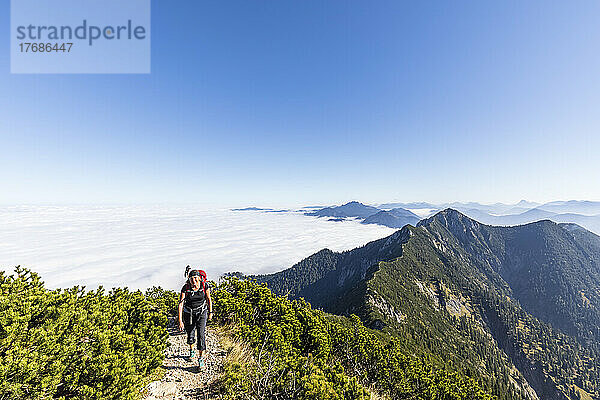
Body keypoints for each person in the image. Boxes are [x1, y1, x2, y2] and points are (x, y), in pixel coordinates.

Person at [178, 268, 213, 369]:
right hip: (189, 313)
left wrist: (210, 312)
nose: (194, 282)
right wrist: (180, 321)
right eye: (191, 279)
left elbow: (208, 299)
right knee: (190, 334)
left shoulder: (204, 286)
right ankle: (192, 349)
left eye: (196, 279)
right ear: (188, 280)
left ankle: (201, 359)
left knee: (201, 335)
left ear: (199, 279)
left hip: (202, 312)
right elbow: (181, 304)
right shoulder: (186, 288)